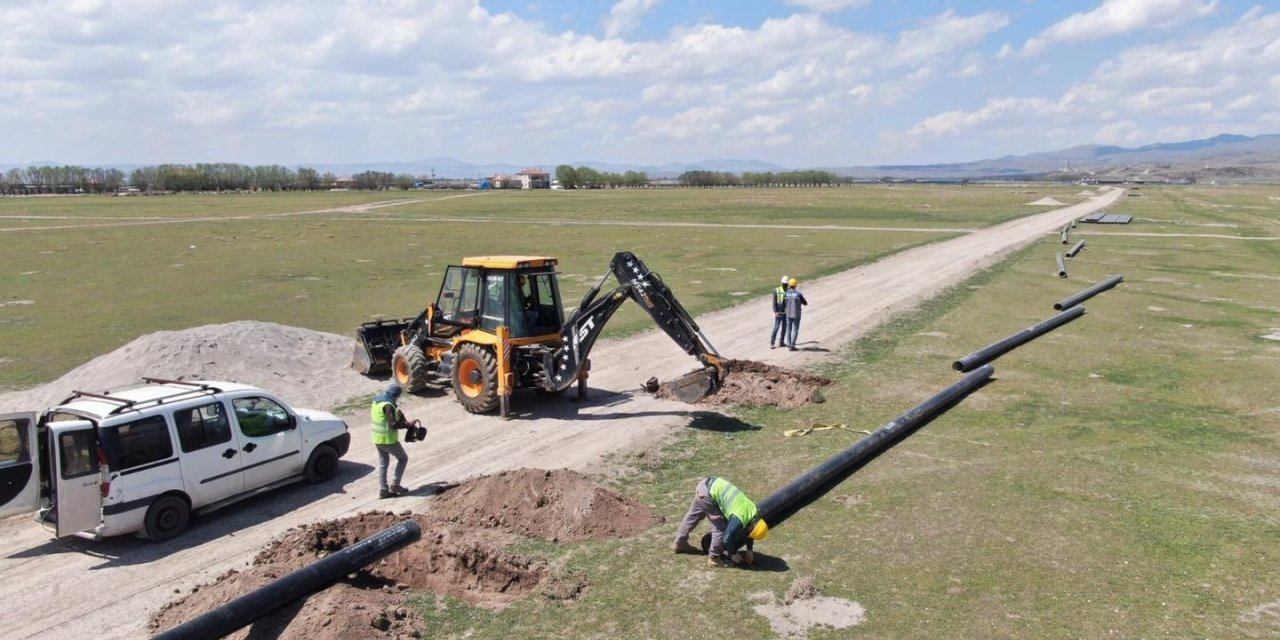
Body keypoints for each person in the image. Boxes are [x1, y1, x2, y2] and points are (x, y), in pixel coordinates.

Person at [673, 476, 769, 566]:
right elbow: (727, 538)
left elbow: (751, 533)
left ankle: (680, 543)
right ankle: (714, 558)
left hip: (705, 485)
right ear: (751, 527)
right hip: (708, 495)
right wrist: (733, 554)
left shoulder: (753, 512)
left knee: (692, 516)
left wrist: (749, 550)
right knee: (720, 527)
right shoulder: (739, 518)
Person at [370, 383, 411, 499]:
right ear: (395, 395)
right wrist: (407, 425)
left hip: (377, 439)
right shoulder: (388, 405)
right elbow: (393, 424)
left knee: (383, 464)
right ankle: (395, 486)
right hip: (388, 440)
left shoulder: (377, 401)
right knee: (403, 459)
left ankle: (383, 490)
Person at [784, 277, 808, 351]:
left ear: (789, 285)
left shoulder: (786, 294)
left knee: (788, 329)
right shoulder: (798, 294)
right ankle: (792, 345)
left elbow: (784, 303)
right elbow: (805, 303)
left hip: (788, 313)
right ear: (795, 285)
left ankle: (788, 344)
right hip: (796, 314)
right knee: (795, 329)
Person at [769, 275, 789, 349]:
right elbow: (774, 302)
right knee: (776, 327)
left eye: (786, 283)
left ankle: (781, 342)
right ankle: (772, 342)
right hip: (779, 312)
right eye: (784, 283)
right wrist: (775, 312)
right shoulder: (777, 290)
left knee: (784, 327)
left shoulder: (789, 291)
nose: (785, 284)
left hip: (786, 313)